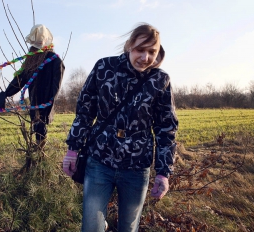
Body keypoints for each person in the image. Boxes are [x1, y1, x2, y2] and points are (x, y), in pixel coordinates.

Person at [62, 23, 178, 231]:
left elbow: (166, 129)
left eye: (152, 51)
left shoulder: (160, 80)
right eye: (140, 50)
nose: (145, 57)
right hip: (99, 162)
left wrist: (163, 173)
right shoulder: (104, 68)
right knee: (91, 226)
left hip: (136, 168)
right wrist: (73, 149)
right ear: (129, 46)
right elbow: (85, 112)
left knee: (128, 227)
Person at [0, 24, 65, 146]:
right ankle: (34, 157)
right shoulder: (31, 59)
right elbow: (20, 78)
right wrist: (6, 93)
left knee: (41, 134)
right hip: (34, 104)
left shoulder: (54, 60)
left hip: (44, 105)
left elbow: (55, 87)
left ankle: (38, 155)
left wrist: (47, 110)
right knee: (35, 132)